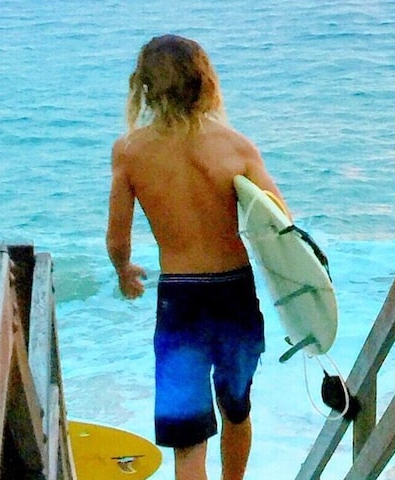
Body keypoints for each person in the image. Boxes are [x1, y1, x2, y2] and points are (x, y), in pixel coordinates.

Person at [106, 34, 285, 480]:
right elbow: (280, 222)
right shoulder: (236, 146)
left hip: (180, 298)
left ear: (144, 87)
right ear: (206, 82)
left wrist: (124, 271)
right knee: (236, 410)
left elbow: (116, 237)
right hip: (234, 292)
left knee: (188, 440)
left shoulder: (130, 152)